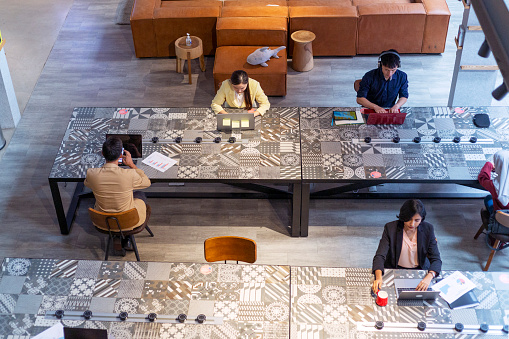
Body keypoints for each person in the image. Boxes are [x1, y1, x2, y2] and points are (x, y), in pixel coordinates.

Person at [84, 137, 151, 250]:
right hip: (129, 221)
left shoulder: (91, 173)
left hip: (103, 222)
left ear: (102, 153)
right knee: (139, 194)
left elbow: (87, 184)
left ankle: (117, 237)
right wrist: (132, 165)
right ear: (121, 154)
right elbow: (146, 182)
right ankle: (126, 237)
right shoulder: (129, 174)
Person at [372, 199, 442, 293]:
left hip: (420, 271)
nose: (412, 224)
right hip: (396, 270)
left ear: (422, 219)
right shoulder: (391, 228)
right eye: (409, 219)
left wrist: (429, 277)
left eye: (417, 220)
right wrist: (378, 278)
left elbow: (436, 258)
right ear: (403, 216)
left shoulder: (428, 229)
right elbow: (380, 256)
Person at [478, 150, 509, 215]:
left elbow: (482, 178)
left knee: (488, 198)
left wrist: (489, 165)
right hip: (506, 218)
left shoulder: (493, 185)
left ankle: (489, 222)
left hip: (499, 221)